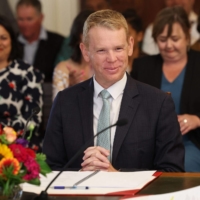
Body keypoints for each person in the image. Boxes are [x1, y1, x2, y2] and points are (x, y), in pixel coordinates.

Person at [43, 9, 184, 172]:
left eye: (118, 48)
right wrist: (78, 179)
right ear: (85, 52)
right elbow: (49, 168)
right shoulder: (64, 101)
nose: (111, 59)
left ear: (130, 46)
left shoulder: (158, 104)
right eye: (101, 50)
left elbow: (172, 173)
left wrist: (116, 177)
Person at [131, 6, 200, 172]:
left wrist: (197, 120)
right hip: (149, 144)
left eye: (175, 39)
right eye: (162, 39)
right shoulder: (142, 66)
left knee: (181, 168)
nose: (169, 45)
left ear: (187, 37)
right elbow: (129, 107)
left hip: (191, 143)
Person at [0, 16, 44, 151]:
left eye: (3, 38)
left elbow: (34, 118)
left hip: (19, 145)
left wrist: (4, 133)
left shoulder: (27, 72)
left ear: (12, 40)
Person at [16, 0, 64, 83]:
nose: (25, 24)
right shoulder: (10, 42)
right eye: (20, 19)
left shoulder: (58, 42)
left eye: (29, 19)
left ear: (41, 18)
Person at [52, 10, 94, 100]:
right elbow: (57, 110)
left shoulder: (107, 66)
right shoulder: (63, 68)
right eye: (87, 33)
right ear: (78, 37)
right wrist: (70, 87)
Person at [122, 9, 145, 73]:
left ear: (139, 36)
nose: (123, 38)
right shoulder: (114, 61)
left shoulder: (148, 63)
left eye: (128, 33)